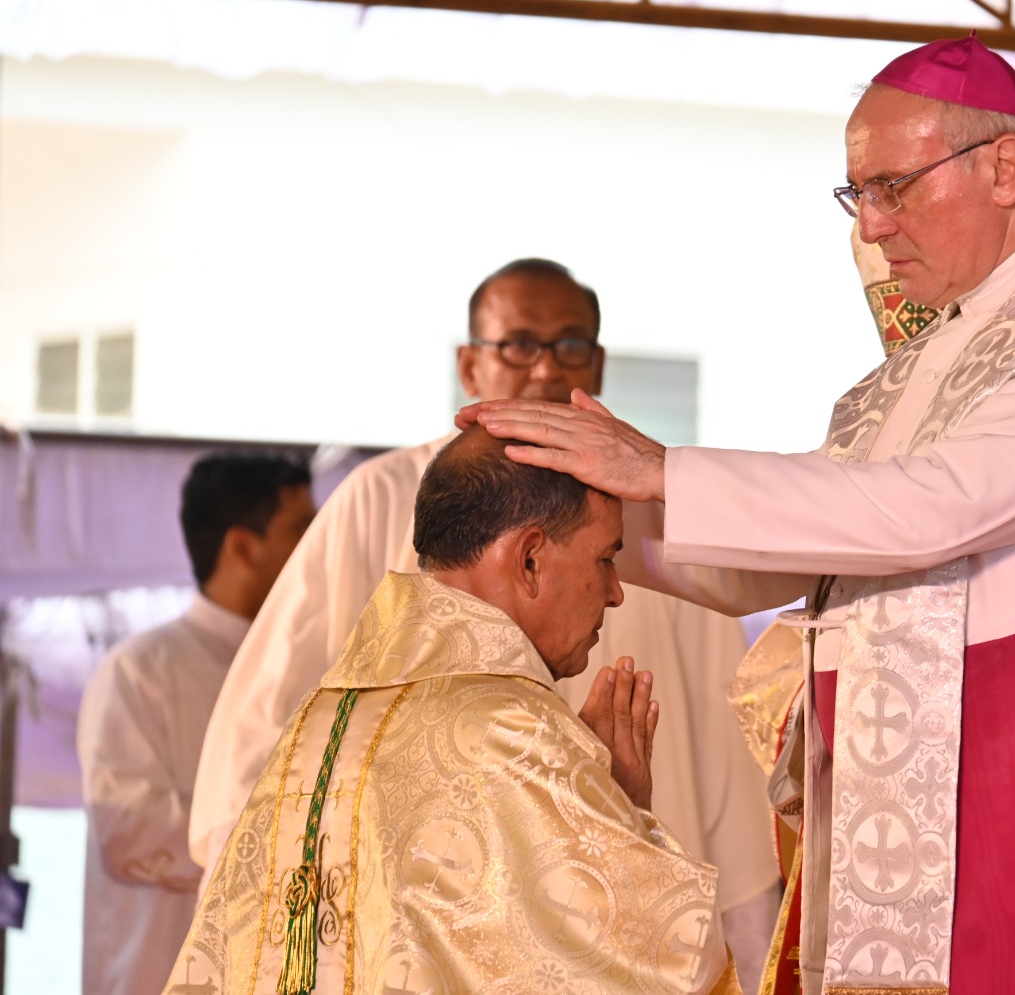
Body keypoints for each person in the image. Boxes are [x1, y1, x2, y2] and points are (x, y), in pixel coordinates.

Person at [466, 34, 1015, 994]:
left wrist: (664, 469)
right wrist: (598, 510)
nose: (873, 227)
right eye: (859, 195)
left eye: (895, 187)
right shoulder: (925, 360)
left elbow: (932, 511)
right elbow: (805, 554)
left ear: (1006, 166)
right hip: (899, 785)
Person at [189, 258, 780, 984]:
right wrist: (615, 821)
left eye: (568, 347)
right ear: (470, 365)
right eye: (518, 345)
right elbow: (260, 740)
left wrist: (628, 829)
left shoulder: (657, 514)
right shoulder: (380, 499)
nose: (541, 371)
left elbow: (722, 767)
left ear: (595, 363)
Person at [164, 427, 737, 994]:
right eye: (606, 558)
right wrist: (628, 818)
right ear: (531, 559)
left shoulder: (320, 722)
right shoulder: (513, 735)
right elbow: (667, 964)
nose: (615, 592)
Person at [77, 452, 314, 995]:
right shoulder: (139, 671)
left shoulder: (313, 672)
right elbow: (128, 830)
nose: (319, 548)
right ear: (242, 547)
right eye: (302, 528)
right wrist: (280, 837)